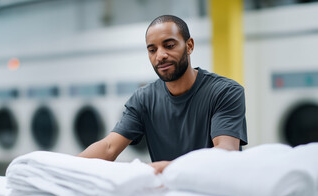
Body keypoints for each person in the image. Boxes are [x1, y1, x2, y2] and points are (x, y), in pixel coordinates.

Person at [78, 15, 247, 173]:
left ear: (189, 46)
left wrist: (167, 168)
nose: (160, 56)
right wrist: (63, 169)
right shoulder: (143, 99)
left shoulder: (225, 92)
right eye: (152, 50)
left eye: (169, 45)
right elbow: (109, 147)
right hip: (169, 194)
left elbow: (225, 151)